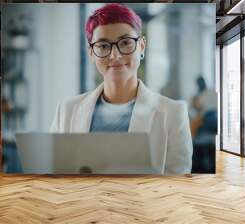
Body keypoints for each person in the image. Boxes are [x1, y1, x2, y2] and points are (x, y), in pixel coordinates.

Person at [50, 3, 193, 174]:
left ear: (141, 46)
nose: (115, 55)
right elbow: (54, 173)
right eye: (103, 46)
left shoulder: (173, 113)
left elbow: (176, 186)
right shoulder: (67, 110)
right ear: (91, 52)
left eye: (125, 43)